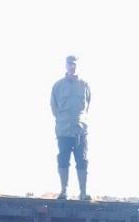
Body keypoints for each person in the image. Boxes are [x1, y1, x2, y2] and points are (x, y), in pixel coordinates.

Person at [50, 54, 91, 200]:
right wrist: (63, 120)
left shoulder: (85, 85)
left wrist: (80, 121)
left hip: (80, 130)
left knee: (82, 160)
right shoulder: (58, 86)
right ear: (66, 65)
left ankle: (83, 192)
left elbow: (87, 106)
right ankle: (64, 191)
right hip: (64, 130)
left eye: (74, 64)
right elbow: (54, 108)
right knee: (63, 160)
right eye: (69, 64)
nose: (72, 66)